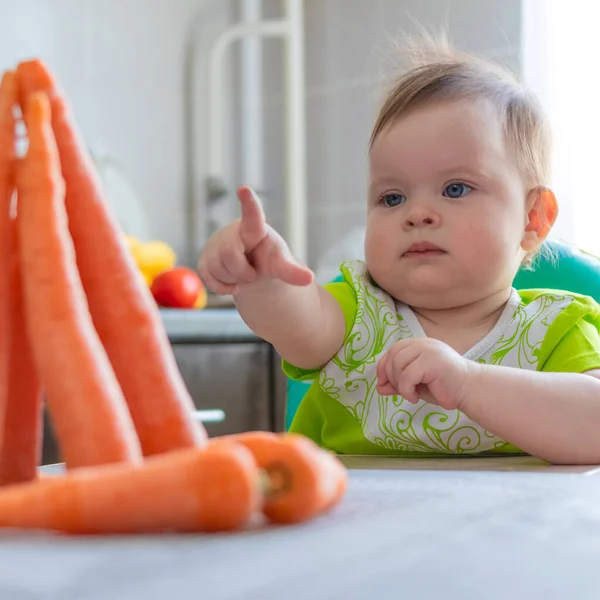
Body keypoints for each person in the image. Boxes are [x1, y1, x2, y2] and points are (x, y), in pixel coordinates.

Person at [198, 36, 600, 464]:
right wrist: (259, 276)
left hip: (514, 529)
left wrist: (467, 383)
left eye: (455, 188)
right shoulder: (358, 313)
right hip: (355, 528)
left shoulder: (557, 329)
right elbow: (294, 321)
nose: (417, 214)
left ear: (533, 218)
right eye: (392, 198)